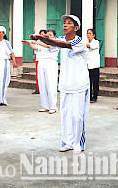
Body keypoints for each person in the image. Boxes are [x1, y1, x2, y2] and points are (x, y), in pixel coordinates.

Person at [30, 15, 89, 155]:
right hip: (65, 84)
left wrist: (43, 38)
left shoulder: (80, 41)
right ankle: (67, 142)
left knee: (78, 116)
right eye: (64, 23)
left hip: (79, 84)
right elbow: (55, 42)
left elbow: (63, 45)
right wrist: (41, 38)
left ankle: (78, 143)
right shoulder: (61, 39)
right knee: (66, 114)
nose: (65, 25)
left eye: (69, 23)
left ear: (76, 28)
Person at [23, 29, 59, 113]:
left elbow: (49, 46)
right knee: (43, 84)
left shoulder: (55, 44)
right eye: (47, 35)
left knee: (51, 84)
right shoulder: (42, 44)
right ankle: (45, 105)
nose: (48, 36)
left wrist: (38, 42)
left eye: (50, 35)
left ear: (54, 36)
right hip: (42, 62)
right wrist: (29, 44)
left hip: (51, 63)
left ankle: (53, 106)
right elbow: (36, 48)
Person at [0, 26, 18, 106]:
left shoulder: (6, 42)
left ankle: (2, 99)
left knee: (3, 80)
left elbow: (11, 52)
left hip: (3, 62)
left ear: (4, 33)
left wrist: (14, 62)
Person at [86, 28, 100, 103]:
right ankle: (89, 96)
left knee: (95, 82)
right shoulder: (86, 42)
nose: (88, 35)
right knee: (88, 82)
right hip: (87, 65)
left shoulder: (96, 42)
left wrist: (80, 43)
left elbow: (89, 46)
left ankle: (95, 96)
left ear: (94, 35)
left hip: (94, 65)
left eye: (90, 33)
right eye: (87, 33)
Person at [32, 29, 46, 95]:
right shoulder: (37, 41)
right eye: (40, 34)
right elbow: (35, 49)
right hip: (38, 59)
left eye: (43, 34)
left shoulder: (46, 42)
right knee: (38, 75)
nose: (41, 35)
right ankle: (38, 89)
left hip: (44, 60)